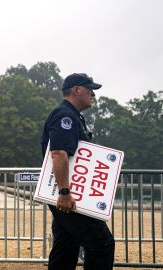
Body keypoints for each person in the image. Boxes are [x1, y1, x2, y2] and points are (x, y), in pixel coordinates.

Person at [40, 73, 115, 270]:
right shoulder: (66, 116)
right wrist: (65, 193)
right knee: (101, 244)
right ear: (77, 90)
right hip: (68, 197)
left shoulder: (71, 115)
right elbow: (58, 154)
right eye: (90, 89)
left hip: (68, 196)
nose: (93, 94)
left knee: (66, 249)